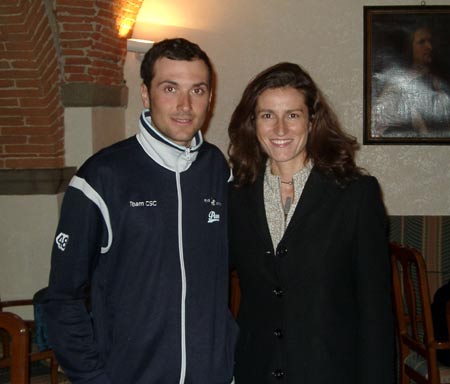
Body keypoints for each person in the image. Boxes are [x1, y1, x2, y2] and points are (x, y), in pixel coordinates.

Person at [43, 38, 237, 384]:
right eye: (170, 88)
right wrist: (93, 378)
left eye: (197, 90)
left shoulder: (218, 170)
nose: (184, 105)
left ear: (210, 97)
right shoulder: (101, 177)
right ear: (146, 94)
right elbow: (61, 298)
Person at [228, 62, 395, 383]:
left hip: (331, 370)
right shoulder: (235, 197)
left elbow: (375, 311)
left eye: (292, 115)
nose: (280, 129)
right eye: (267, 115)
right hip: (255, 369)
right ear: (252, 123)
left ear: (312, 119)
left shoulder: (355, 195)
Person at [373, 24, 450, 137]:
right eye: (421, 42)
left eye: (430, 41)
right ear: (410, 48)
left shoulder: (439, 82)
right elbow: (377, 126)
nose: (429, 47)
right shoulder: (397, 86)